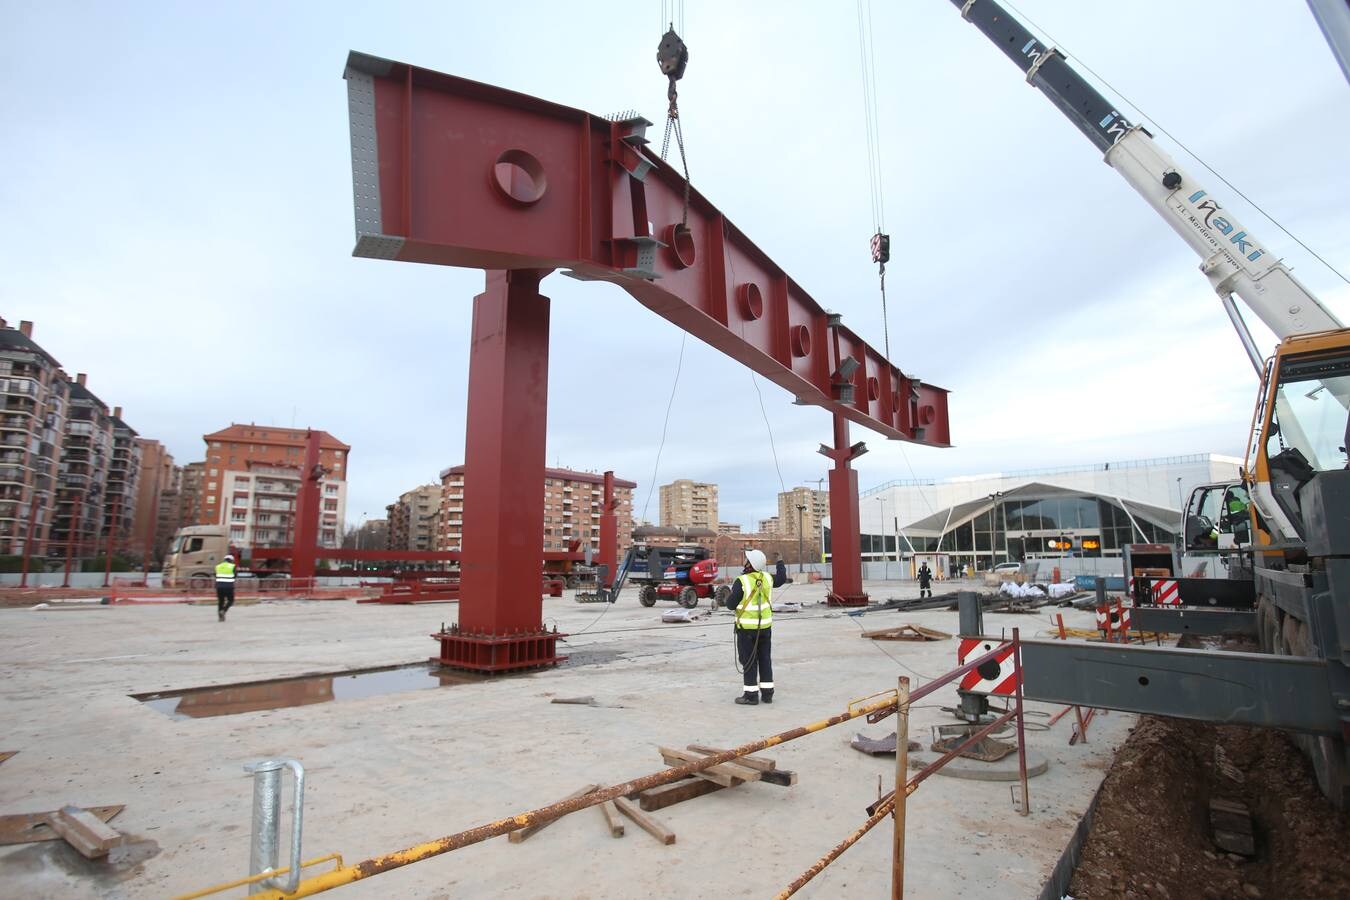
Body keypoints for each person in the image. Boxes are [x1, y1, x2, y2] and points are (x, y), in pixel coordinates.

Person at [723, 548, 773, 705]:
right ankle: (767, 694)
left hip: (747, 630)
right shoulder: (767, 578)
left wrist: (730, 596)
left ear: (750, 564)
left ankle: (751, 696)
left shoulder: (742, 581)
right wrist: (780, 563)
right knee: (765, 659)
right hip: (765, 628)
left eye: (747, 560)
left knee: (749, 661)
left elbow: (731, 605)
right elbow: (781, 578)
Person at [215, 553, 237, 622]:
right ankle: (224, 611)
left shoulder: (218, 566)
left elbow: (216, 575)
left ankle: (220, 617)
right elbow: (235, 576)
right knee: (231, 600)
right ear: (231, 560)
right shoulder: (232, 566)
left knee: (221, 601)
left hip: (219, 587)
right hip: (229, 586)